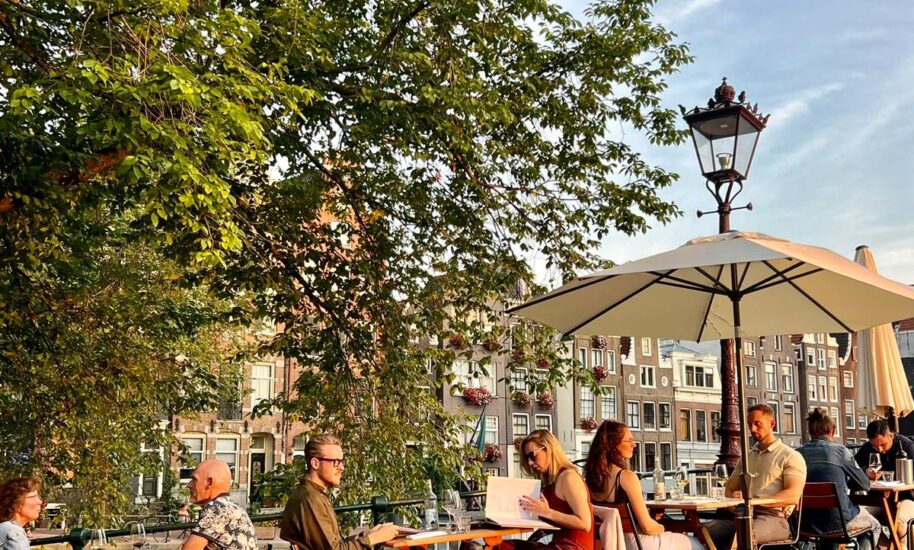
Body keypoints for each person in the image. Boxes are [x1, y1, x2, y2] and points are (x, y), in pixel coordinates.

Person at [584, 421, 703, 550]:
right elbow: (648, 527)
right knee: (696, 544)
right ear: (613, 445)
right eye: (629, 440)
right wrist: (664, 527)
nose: (634, 445)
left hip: (609, 541)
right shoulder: (626, 477)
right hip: (636, 542)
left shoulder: (590, 479)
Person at [703, 404, 806, 550]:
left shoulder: (790, 456)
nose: (752, 429)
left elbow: (792, 496)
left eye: (757, 424)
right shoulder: (746, 457)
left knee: (743, 534)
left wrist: (752, 501)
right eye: (750, 424)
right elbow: (729, 488)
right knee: (705, 532)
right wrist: (734, 500)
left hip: (773, 519)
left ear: (772, 424)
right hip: (741, 515)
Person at [281, 434, 398, 550]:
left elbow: (332, 544)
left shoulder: (314, 494)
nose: (341, 468)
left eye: (342, 461)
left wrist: (367, 535)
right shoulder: (310, 499)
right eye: (335, 462)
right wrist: (373, 539)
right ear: (315, 463)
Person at [796, 408, 880, 550]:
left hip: (805, 523)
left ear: (809, 432)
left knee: (830, 525)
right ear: (833, 430)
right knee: (874, 527)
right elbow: (865, 484)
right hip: (838, 522)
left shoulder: (798, 453)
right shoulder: (840, 451)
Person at [501, 429, 593, 550]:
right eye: (527, 458)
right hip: (557, 546)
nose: (529, 462)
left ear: (549, 449)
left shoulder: (569, 477)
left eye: (532, 456)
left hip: (572, 548)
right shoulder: (552, 481)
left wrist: (547, 512)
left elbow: (584, 523)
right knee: (500, 546)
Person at [853, 420, 914, 549]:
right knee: (859, 517)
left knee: (899, 519)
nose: (880, 450)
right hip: (879, 501)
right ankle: (887, 547)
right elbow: (853, 469)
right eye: (875, 447)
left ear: (891, 436)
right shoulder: (867, 448)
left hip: (907, 498)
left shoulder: (907, 446)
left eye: (883, 444)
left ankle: (900, 547)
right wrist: (865, 472)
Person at [182, 460, 257, 550]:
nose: (189, 485)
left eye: (194, 480)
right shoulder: (236, 509)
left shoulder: (216, 509)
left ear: (209, 482)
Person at [0, 477, 42, 550]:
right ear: (15, 502)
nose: (40, 502)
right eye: (33, 497)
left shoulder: (4, 528)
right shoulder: (13, 533)